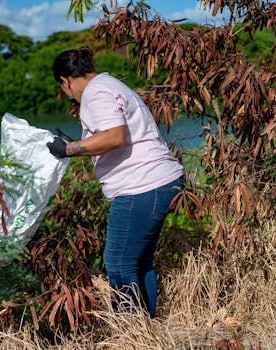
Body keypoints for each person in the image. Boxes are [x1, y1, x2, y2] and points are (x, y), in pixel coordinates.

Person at [47, 46, 185, 318]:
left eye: (63, 89)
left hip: (141, 186)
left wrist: (69, 150)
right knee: (138, 263)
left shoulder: (94, 93)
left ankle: (131, 335)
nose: (68, 95)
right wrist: (75, 144)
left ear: (66, 81)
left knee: (119, 264)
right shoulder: (110, 84)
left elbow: (115, 136)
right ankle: (146, 330)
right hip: (160, 181)